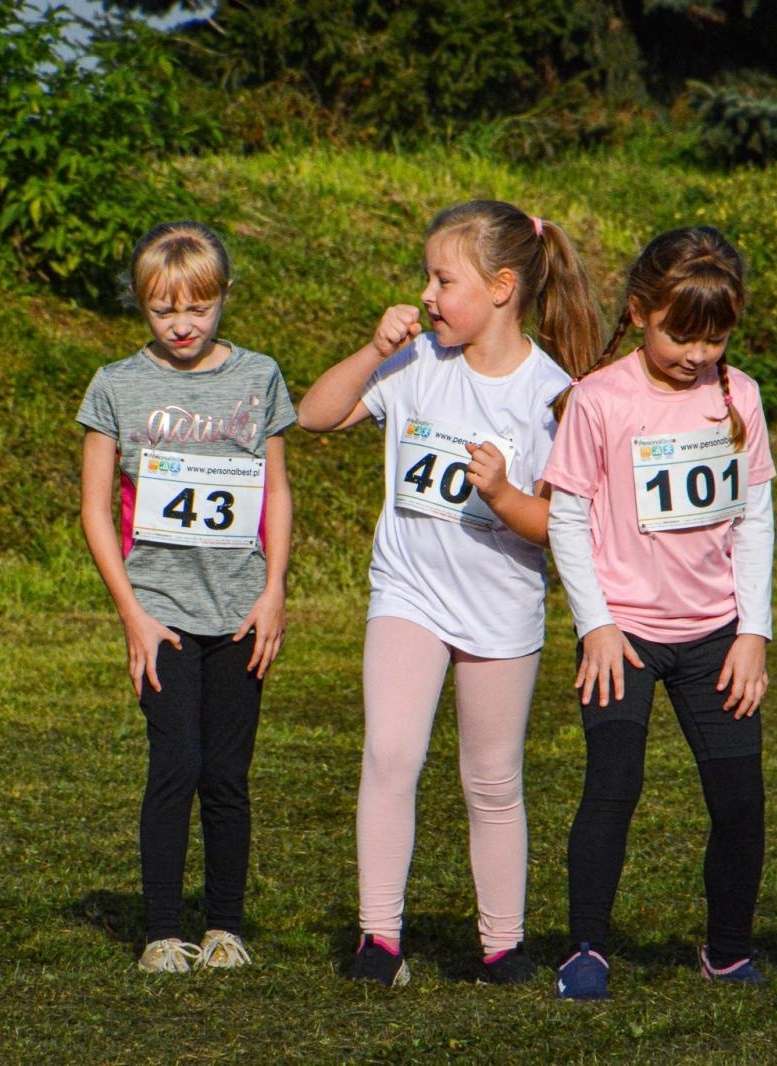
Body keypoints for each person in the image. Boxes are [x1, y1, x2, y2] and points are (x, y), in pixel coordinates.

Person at [299, 199, 603, 987]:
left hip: (502, 611)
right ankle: (379, 941)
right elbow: (315, 415)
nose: (427, 294)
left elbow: (561, 529)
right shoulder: (413, 364)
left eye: (444, 278)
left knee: (491, 781)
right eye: (426, 277)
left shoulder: (554, 394)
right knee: (390, 755)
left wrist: (504, 497)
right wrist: (372, 350)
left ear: (503, 287)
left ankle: (502, 946)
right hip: (408, 594)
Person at [545, 226, 774, 1000]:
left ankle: (729, 951)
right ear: (641, 312)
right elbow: (568, 517)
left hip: (718, 639)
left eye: (715, 337)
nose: (698, 354)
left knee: (741, 801)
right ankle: (585, 950)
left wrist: (753, 633)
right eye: (682, 334)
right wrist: (597, 625)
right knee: (613, 785)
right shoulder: (598, 398)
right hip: (626, 637)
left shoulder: (738, 395)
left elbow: (755, 520)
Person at [79, 221, 293, 973]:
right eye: (163, 309)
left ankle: (225, 927)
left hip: (241, 612)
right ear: (142, 306)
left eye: (197, 308)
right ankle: (161, 932)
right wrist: (132, 612)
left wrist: (274, 593)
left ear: (223, 297)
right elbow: (95, 510)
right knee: (176, 764)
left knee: (227, 774)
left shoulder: (260, 377)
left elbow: (277, 489)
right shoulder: (115, 385)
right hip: (160, 609)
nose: (181, 325)